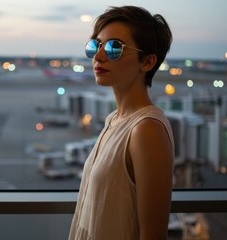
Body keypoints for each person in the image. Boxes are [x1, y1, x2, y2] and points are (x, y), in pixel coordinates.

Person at [69, 6, 174, 240]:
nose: (98, 56)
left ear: (147, 62)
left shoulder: (146, 130)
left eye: (114, 47)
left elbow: (153, 236)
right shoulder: (114, 120)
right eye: (96, 45)